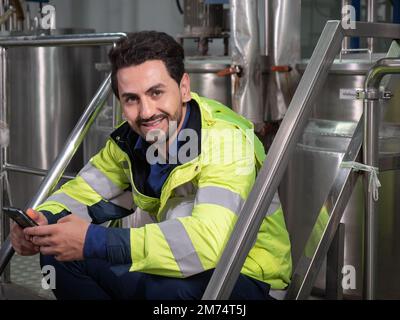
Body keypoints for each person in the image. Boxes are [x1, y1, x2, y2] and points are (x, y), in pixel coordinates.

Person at [10, 31, 292, 300]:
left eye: (156, 93)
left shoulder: (225, 139)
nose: (146, 112)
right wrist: (42, 223)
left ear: (183, 88)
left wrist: (95, 241)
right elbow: (83, 193)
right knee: (58, 254)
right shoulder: (130, 142)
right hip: (174, 267)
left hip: (247, 278)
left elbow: (206, 244)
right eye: (132, 99)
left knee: (167, 293)